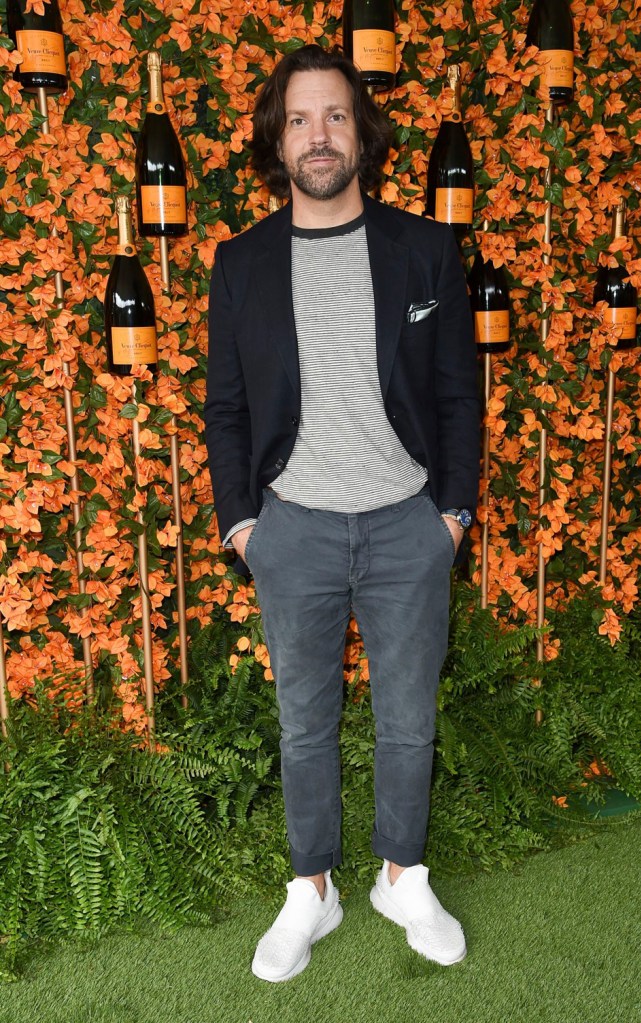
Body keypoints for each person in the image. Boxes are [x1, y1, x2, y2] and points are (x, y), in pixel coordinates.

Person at [204, 43, 480, 983]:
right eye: (297, 119)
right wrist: (244, 524)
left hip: (409, 525)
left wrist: (452, 513)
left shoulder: (425, 248)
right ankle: (311, 891)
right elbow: (228, 408)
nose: (316, 136)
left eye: (332, 116)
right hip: (296, 530)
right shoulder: (239, 263)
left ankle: (403, 874)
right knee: (304, 723)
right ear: (275, 140)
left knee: (409, 719)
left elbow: (457, 395)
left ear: (361, 130)